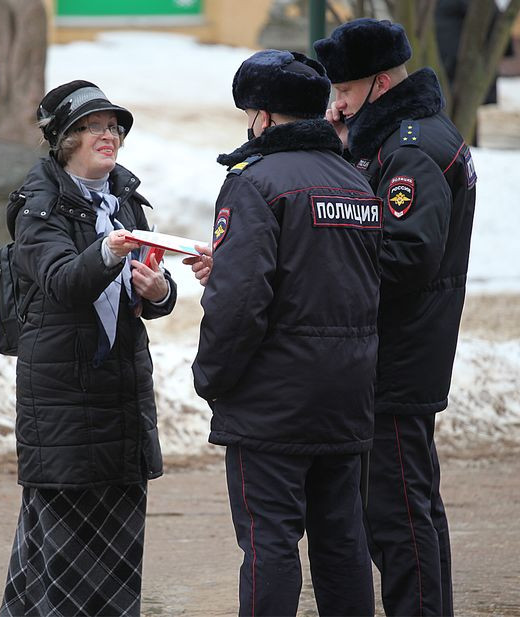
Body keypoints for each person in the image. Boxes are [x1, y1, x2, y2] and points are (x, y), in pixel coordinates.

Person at [188, 49, 383, 616]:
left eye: (249, 113)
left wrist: (213, 378)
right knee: (342, 540)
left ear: (266, 118)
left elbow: (240, 303)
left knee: (269, 545)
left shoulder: (254, 184)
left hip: (272, 400)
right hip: (345, 394)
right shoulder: (354, 182)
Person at [0, 80, 177, 617]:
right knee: (60, 554)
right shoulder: (38, 206)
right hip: (63, 403)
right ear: (65, 138)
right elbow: (61, 282)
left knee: (117, 556)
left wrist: (159, 290)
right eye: (94, 125)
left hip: (120, 398)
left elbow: (149, 294)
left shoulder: (125, 200)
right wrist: (107, 251)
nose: (110, 134)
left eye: (113, 125)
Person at [316, 18, 477, 617]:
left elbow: (407, 253)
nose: (337, 104)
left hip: (398, 362)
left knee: (399, 519)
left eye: (347, 92)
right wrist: (342, 143)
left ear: (380, 83)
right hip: (399, 357)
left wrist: (330, 251)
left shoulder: (410, 149)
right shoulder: (404, 137)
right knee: (411, 510)